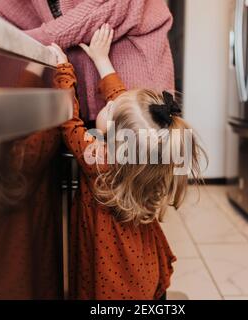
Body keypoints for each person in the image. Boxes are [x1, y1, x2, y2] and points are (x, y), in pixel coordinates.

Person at [48, 24, 205, 299]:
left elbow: (70, 125)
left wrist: (64, 72)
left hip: (112, 279)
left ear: (117, 135)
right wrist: (102, 60)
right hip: (142, 272)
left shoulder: (99, 160)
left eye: (108, 109)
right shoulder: (144, 159)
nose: (108, 104)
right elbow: (125, 108)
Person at [0, 0, 175, 121]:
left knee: (139, 151)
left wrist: (26, 41)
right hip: (76, 75)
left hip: (132, 63)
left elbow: (109, 7)